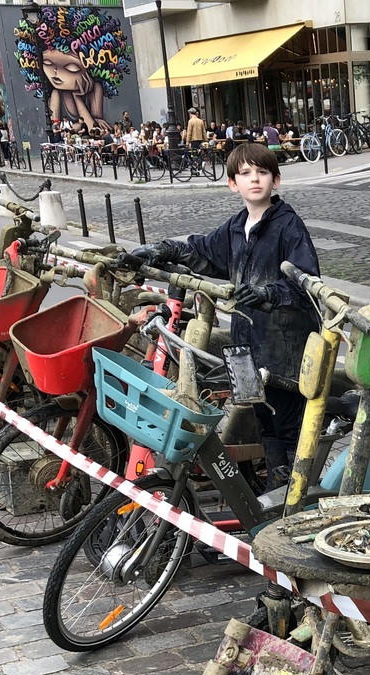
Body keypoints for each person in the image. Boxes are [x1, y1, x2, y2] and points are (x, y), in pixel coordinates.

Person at [117, 142, 320, 487]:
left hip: (285, 350)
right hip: (248, 347)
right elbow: (202, 252)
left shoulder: (288, 226)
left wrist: (266, 292)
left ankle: (292, 498)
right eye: (245, 174)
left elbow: (307, 282)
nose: (254, 179)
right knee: (264, 423)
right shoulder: (237, 226)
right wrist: (159, 250)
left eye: (262, 172)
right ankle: (275, 486)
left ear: (276, 180)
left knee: (288, 428)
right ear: (232, 183)